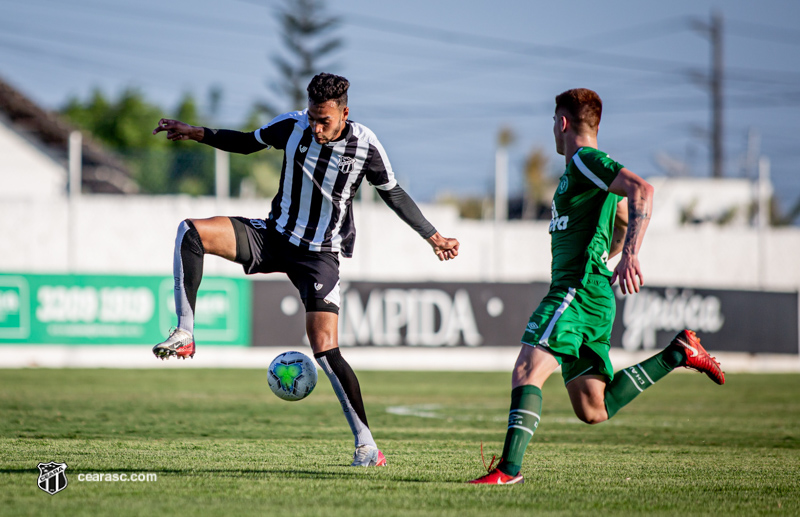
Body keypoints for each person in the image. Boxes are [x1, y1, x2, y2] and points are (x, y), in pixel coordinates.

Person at [152, 73, 460, 467]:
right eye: (312, 118)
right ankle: (186, 332)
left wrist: (433, 237)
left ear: (344, 113)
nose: (315, 128)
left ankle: (367, 446)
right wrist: (195, 132)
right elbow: (247, 143)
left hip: (320, 255)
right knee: (191, 233)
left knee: (325, 350)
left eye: (324, 121)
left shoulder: (365, 145)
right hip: (274, 237)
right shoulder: (292, 125)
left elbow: (393, 194)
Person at [469, 88, 724, 485]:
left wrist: (631, 255)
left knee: (526, 369)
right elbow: (622, 216)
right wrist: (615, 250)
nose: (553, 129)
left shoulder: (585, 161)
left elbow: (643, 190)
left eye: (554, 121)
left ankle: (508, 471)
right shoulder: (590, 174)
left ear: (563, 122)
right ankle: (678, 353)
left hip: (575, 290)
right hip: (595, 295)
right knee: (594, 409)